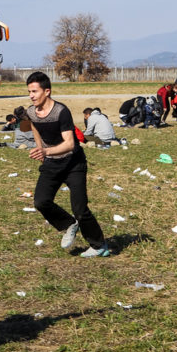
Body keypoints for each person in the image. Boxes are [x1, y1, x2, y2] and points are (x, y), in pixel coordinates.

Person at [26, 71, 109, 258]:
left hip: (73, 164)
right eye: (29, 91)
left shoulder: (61, 112)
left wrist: (46, 151)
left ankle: (99, 245)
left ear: (47, 91)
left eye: (35, 91)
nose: (31, 95)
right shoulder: (31, 112)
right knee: (41, 202)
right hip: (51, 164)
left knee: (80, 209)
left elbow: (70, 143)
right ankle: (68, 224)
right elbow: (33, 126)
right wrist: (40, 148)